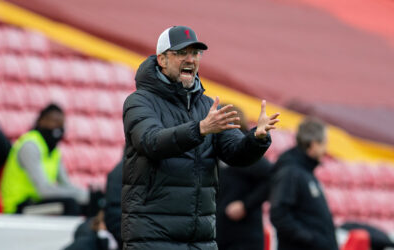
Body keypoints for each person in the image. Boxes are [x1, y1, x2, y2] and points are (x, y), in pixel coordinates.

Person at [122, 25, 280, 250]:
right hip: (153, 237)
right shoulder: (140, 101)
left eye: (196, 53)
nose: (191, 59)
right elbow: (150, 142)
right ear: (162, 59)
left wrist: (256, 138)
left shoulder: (206, 105)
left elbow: (235, 153)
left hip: (201, 239)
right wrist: (200, 129)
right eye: (181, 53)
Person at [0, 104, 88, 215]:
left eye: (61, 123)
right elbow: (44, 191)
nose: (57, 127)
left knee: (90, 204)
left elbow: (66, 184)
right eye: (54, 121)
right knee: (70, 205)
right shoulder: (30, 145)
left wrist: (88, 195)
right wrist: (81, 195)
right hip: (18, 207)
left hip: (37, 203)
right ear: (41, 121)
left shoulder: (54, 151)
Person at [269, 117, 338, 250]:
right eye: (324, 143)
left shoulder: (304, 171)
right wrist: (311, 239)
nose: (326, 150)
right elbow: (279, 215)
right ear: (313, 144)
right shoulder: (290, 172)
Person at [216, 106, 273, 250]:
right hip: (221, 234)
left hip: (244, 237)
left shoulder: (244, 148)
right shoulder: (215, 147)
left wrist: (245, 205)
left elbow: (272, 178)